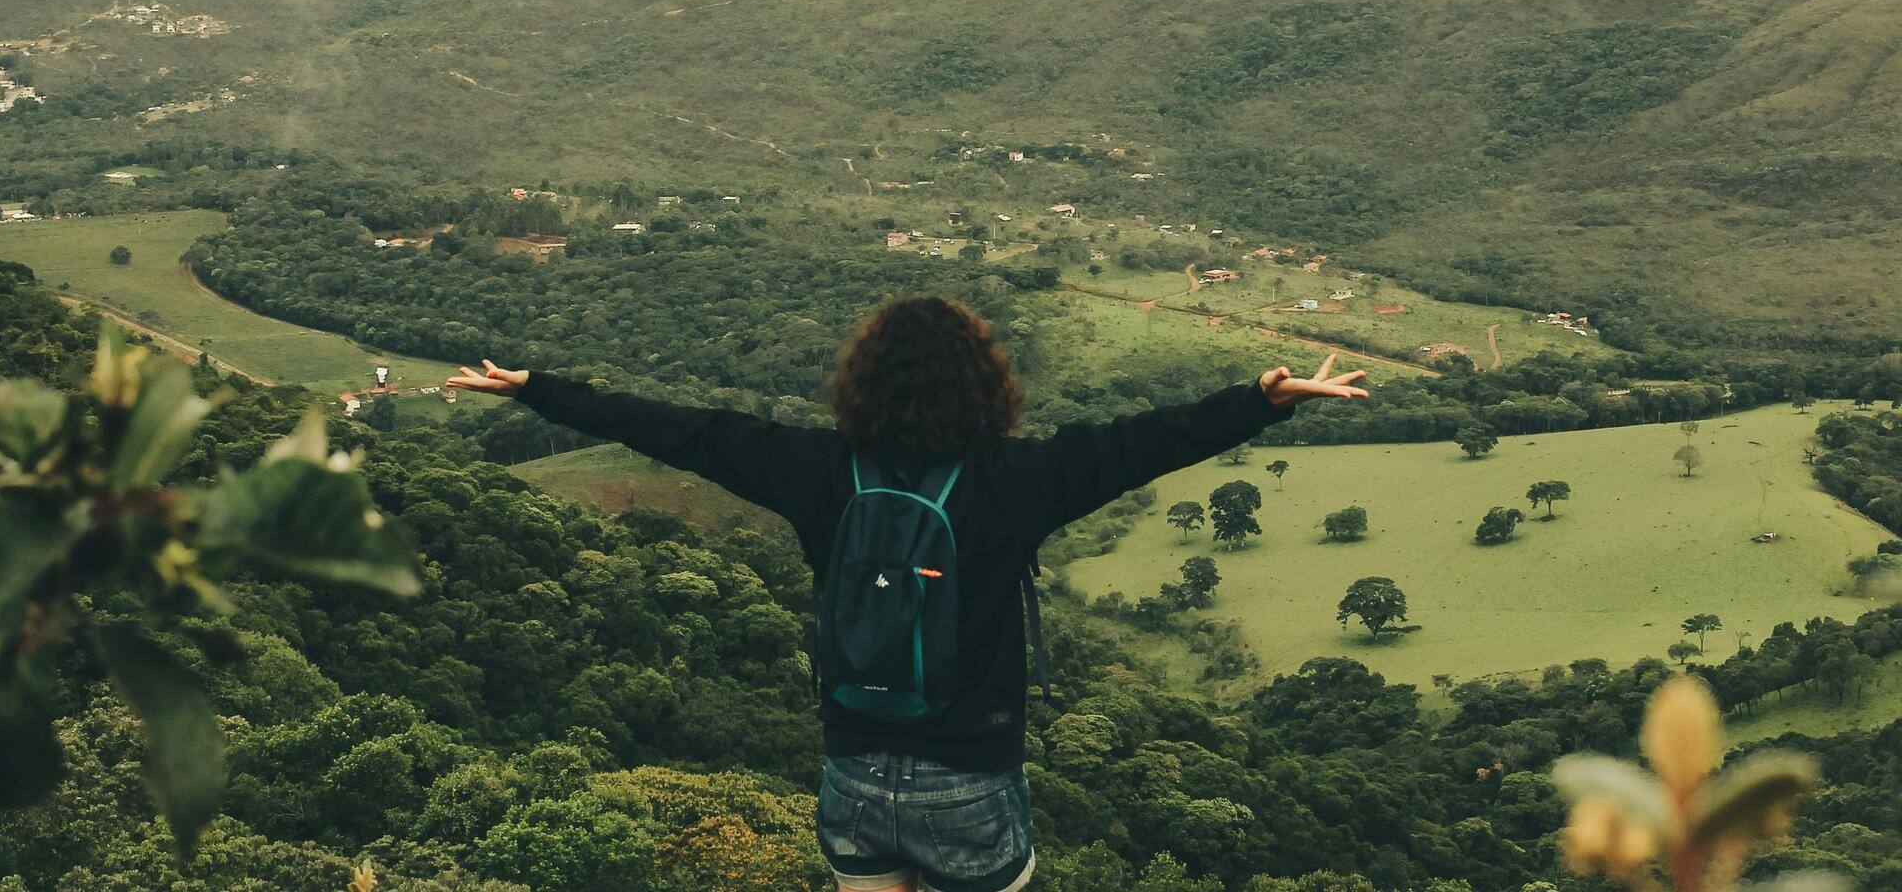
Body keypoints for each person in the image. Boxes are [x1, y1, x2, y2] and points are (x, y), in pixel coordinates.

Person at [448, 296, 1368, 892]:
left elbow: (678, 432)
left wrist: (538, 390)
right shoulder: (1021, 480)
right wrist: (1262, 396)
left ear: (862, 381)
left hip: (852, 769)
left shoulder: (812, 470)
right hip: (970, 776)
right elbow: (1142, 442)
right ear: (986, 385)